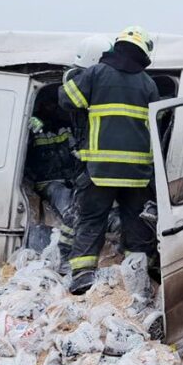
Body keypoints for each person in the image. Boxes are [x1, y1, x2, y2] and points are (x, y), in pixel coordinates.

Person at [60, 26, 158, 294]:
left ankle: (82, 275)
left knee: (92, 219)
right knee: (136, 223)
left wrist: (74, 76)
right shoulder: (149, 84)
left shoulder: (96, 73)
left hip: (100, 170)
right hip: (137, 174)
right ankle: (136, 280)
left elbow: (67, 100)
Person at [24, 88, 82, 268]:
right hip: (47, 182)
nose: (53, 108)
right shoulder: (32, 125)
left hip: (69, 178)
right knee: (67, 204)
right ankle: (66, 255)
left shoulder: (65, 127)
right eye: (49, 104)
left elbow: (75, 152)